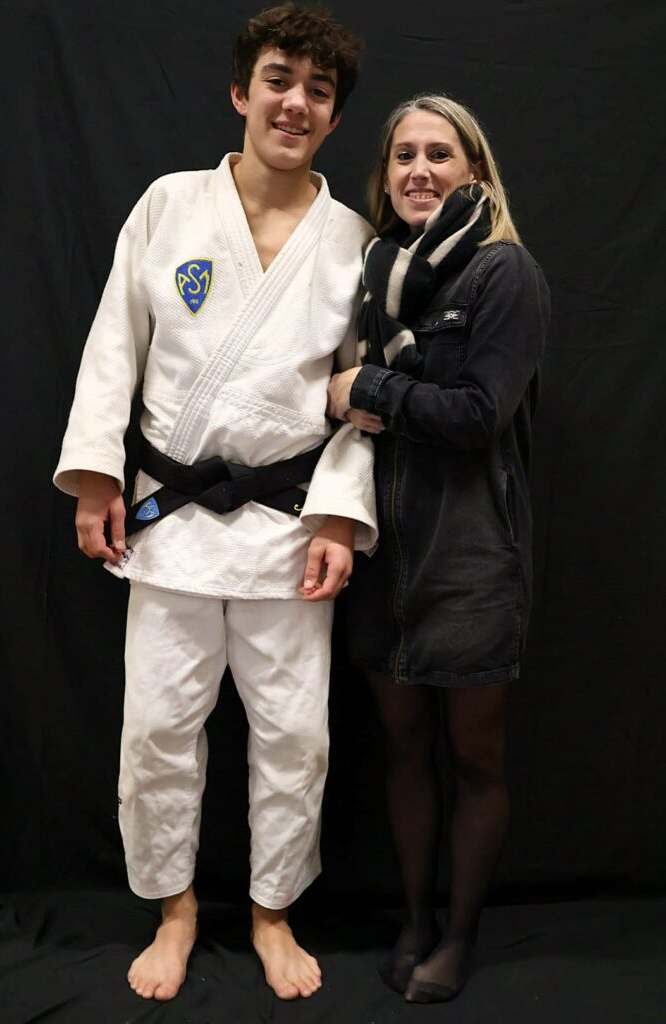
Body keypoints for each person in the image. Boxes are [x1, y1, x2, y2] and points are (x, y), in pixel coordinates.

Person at [53, 4, 377, 1003]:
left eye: (317, 91)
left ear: (333, 118)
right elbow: (114, 341)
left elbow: (364, 396)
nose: (295, 103)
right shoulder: (169, 205)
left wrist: (339, 512)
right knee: (157, 725)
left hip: (287, 525)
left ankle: (272, 912)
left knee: (294, 735)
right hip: (171, 517)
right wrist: (97, 473)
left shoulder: (352, 241)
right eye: (278, 80)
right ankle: (176, 909)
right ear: (241, 91)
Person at [328, 94, 550, 1003]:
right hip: (381, 556)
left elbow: (477, 416)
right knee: (401, 749)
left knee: (474, 760)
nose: (419, 170)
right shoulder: (369, 274)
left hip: (471, 563)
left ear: (473, 171)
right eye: (402, 155)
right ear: (384, 176)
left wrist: (367, 387)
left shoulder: (503, 272)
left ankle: (457, 937)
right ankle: (415, 918)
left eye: (439, 154)